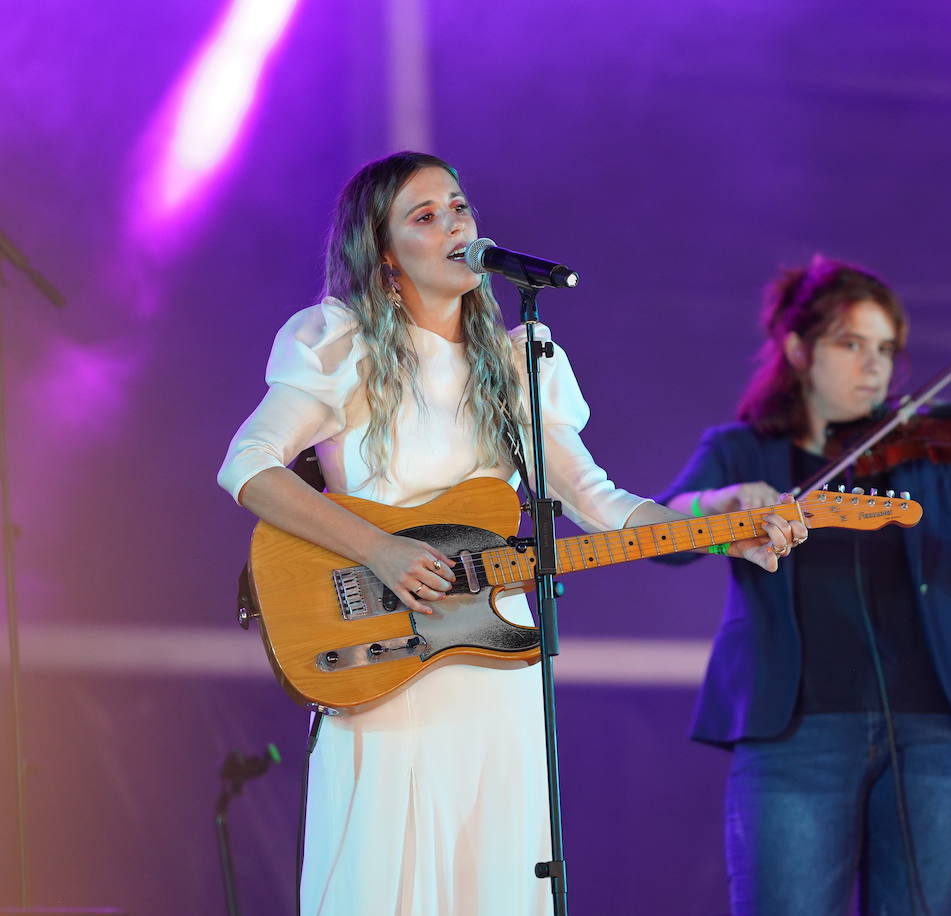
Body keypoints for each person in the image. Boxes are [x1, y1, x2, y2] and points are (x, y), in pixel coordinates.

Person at [216, 151, 806, 915]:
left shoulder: (520, 359)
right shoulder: (341, 343)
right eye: (424, 217)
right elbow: (247, 465)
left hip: (496, 662)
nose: (454, 224)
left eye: (458, 207)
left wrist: (728, 534)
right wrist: (381, 549)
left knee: (493, 876)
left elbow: (603, 503)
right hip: (385, 653)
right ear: (384, 255)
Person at [656, 255, 951, 915]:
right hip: (794, 732)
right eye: (851, 345)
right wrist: (724, 501)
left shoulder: (929, 448)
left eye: (885, 349)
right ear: (798, 349)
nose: (874, 365)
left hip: (941, 731)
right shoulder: (740, 448)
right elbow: (663, 538)